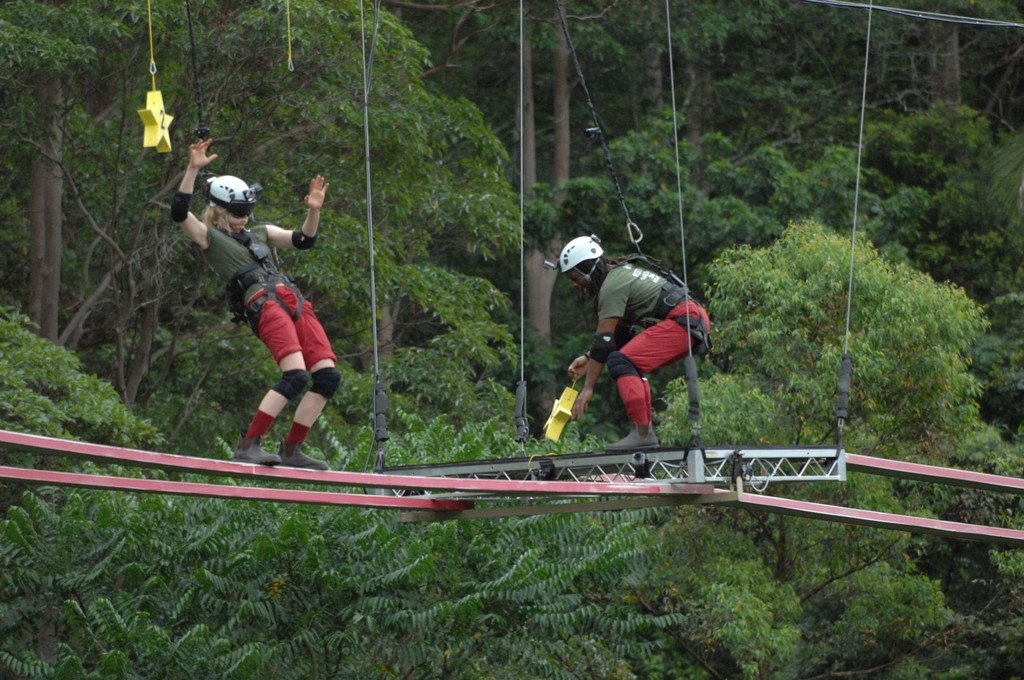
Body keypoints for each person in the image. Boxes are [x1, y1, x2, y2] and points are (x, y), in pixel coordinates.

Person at [170, 138, 340, 470]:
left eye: (247, 211)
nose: (244, 218)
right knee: (295, 376)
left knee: (328, 378)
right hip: (264, 304)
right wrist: (191, 169)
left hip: (293, 300)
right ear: (220, 210)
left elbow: (304, 240)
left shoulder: (260, 232)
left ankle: (292, 450)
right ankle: (249, 444)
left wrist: (314, 211)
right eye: (238, 212)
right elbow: (179, 212)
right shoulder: (209, 237)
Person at [560, 235, 711, 449]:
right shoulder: (620, 275)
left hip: (683, 319)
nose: (576, 285)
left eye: (575, 277)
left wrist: (588, 389)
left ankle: (642, 434)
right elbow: (619, 336)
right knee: (630, 362)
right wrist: (589, 358)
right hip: (691, 318)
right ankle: (644, 432)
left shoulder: (611, 287)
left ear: (587, 269)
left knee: (620, 361)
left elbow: (603, 341)